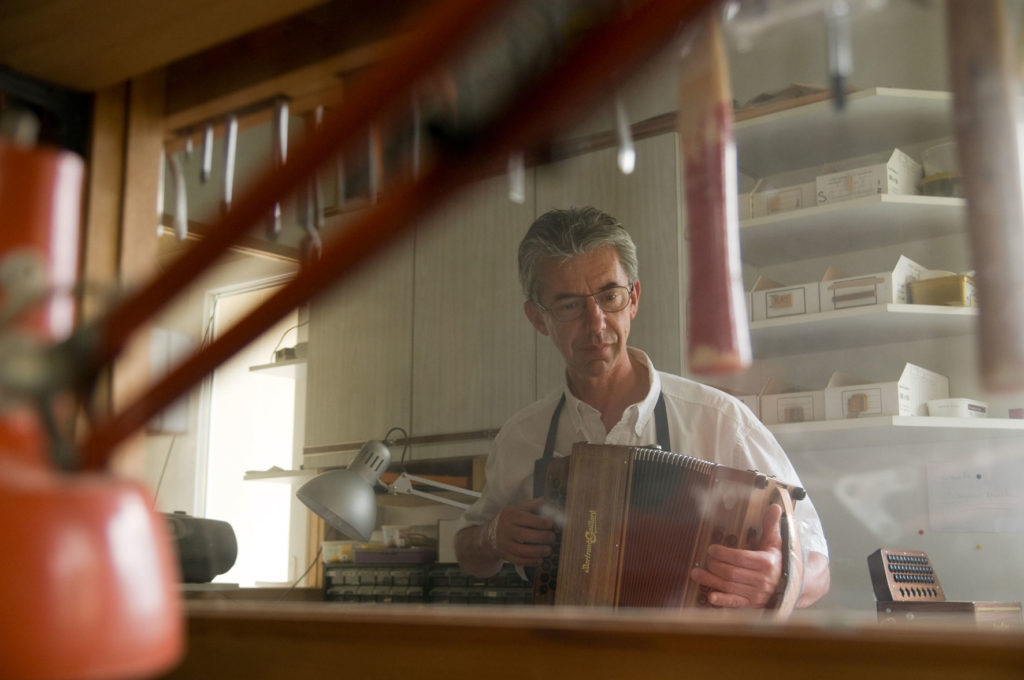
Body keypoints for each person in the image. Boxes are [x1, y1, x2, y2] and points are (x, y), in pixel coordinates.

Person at [453, 206, 829, 609]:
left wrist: (778, 579)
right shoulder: (521, 437)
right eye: (568, 306)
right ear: (538, 318)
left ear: (632, 299)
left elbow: (818, 565)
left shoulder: (720, 420)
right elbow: (470, 549)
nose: (595, 323)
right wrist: (491, 538)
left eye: (609, 297)